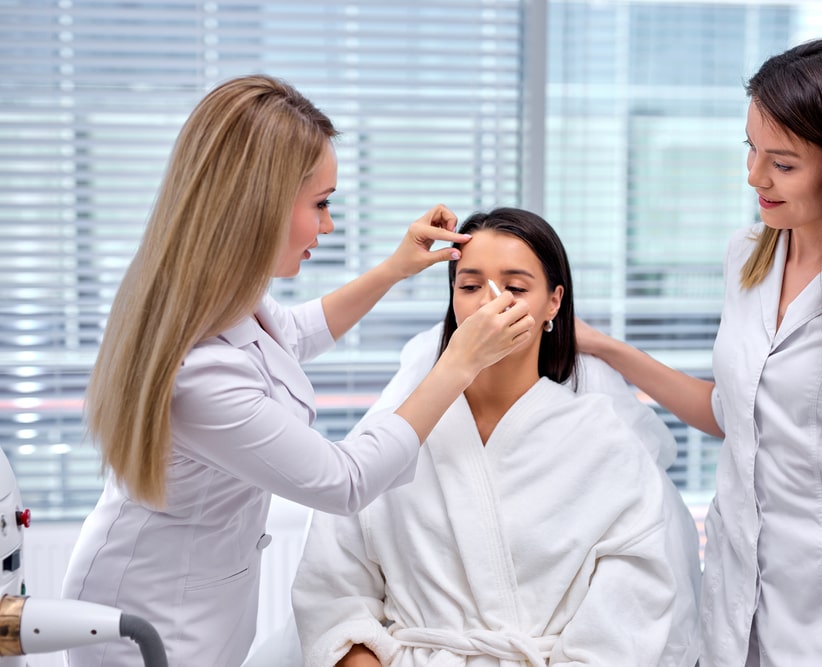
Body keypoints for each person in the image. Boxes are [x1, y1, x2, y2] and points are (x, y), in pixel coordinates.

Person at [61, 75, 533, 667]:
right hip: (154, 623)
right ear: (259, 204)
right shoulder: (200, 376)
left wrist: (392, 270)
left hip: (194, 604)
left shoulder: (219, 297)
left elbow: (293, 333)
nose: (328, 226)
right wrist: (457, 362)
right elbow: (345, 482)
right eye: (321, 204)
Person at [576, 39, 822, 666]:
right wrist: (601, 345)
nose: (755, 177)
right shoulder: (750, 257)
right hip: (734, 610)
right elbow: (730, 413)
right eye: (751, 150)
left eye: (782, 163)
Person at [290, 207, 701, 666]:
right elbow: (332, 594)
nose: (490, 302)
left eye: (516, 287)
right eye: (469, 286)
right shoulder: (391, 437)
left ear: (553, 302)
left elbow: (630, 614)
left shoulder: (607, 445)